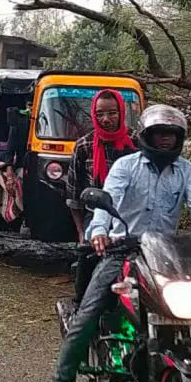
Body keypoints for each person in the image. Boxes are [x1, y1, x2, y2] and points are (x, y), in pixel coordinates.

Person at [40, 104, 191, 382]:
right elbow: (107, 200)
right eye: (159, 135)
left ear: (180, 139)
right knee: (86, 317)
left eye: (171, 136)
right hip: (122, 250)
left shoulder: (185, 170)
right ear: (145, 136)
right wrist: (99, 231)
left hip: (165, 255)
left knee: (189, 318)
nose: (165, 141)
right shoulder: (126, 167)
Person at [65, 89, 139, 302]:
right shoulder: (84, 146)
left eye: (112, 113)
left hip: (130, 215)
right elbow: (73, 194)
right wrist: (81, 232)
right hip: (95, 214)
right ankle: (82, 308)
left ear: (121, 112)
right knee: (88, 257)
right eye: (100, 114)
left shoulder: (137, 143)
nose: (106, 119)